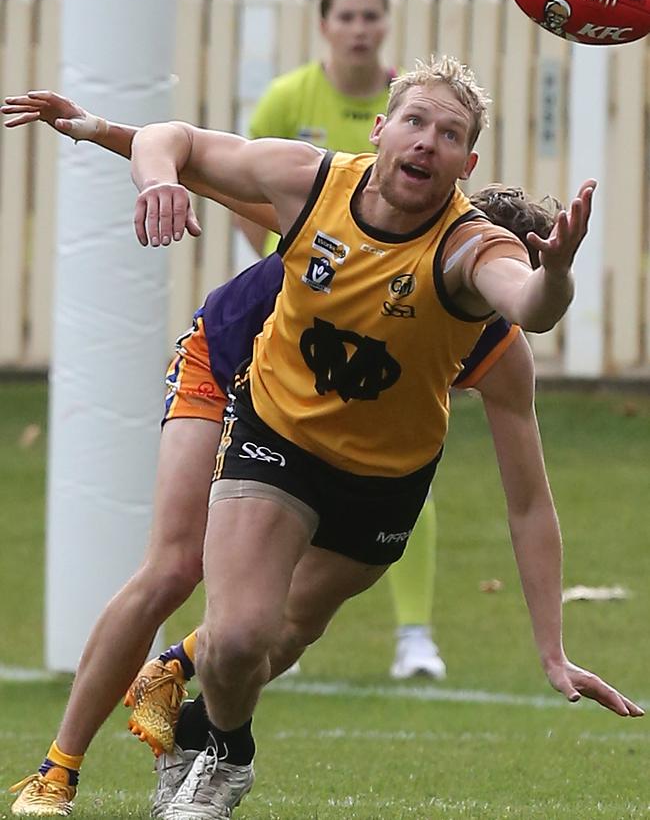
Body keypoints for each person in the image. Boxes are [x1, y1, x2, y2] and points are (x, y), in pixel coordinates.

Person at [1, 80, 643, 819]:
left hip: (375, 474)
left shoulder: (486, 306)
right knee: (185, 574)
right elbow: (199, 160)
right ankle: (61, 768)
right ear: (381, 131)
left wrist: (554, 276)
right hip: (244, 382)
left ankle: (189, 702)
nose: (427, 141)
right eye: (414, 122)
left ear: (465, 175)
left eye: (449, 133)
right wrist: (112, 141)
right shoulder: (323, 191)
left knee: (272, 639)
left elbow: (529, 478)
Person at [238, 0, 446, 681]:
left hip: (393, 311)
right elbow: (256, 197)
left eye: (371, 16)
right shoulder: (286, 97)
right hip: (298, 303)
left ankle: (414, 633)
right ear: (324, 24)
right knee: (280, 461)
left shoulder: (416, 110)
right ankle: (258, 616)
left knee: (401, 465)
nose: (359, 29)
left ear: (387, 23)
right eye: (346, 16)